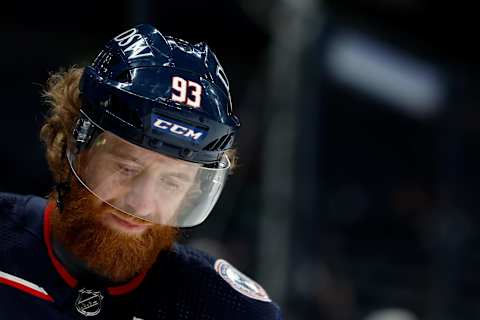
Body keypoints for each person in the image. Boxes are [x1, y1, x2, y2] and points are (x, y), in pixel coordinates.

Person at [0, 24, 281, 319]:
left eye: (172, 182)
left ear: (193, 190)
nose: (141, 204)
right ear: (73, 142)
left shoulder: (226, 310)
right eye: (126, 167)